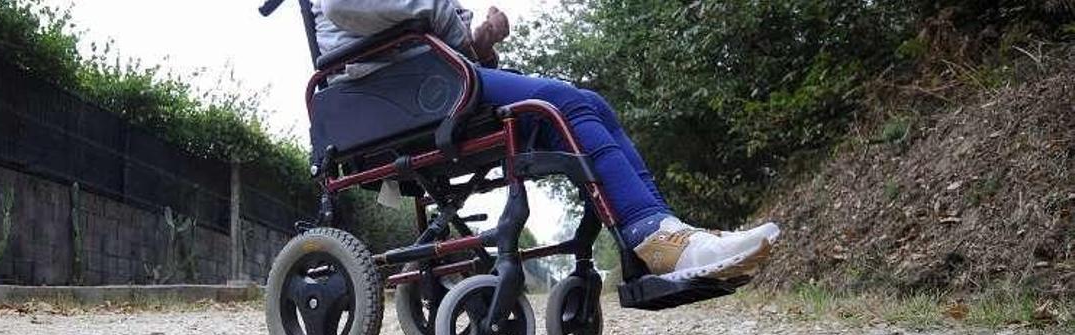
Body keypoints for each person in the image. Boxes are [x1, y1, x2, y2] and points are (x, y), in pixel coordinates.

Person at [315, 0, 780, 282]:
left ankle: (664, 235)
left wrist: (476, 38)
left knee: (589, 104)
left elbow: (436, 30)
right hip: (396, 93)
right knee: (563, 104)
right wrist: (467, 36)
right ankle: (652, 238)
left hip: (427, 83)